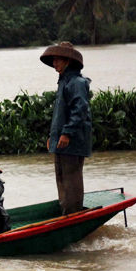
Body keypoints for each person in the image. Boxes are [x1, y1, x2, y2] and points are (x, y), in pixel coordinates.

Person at [39, 41, 92, 215]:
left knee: (71, 180)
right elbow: (60, 114)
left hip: (73, 141)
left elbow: (80, 110)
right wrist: (53, 136)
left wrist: (67, 133)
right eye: (53, 60)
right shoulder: (64, 82)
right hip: (61, 140)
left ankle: (73, 213)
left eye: (58, 60)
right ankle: (67, 212)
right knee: (61, 178)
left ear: (67, 61)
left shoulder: (76, 82)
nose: (54, 64)